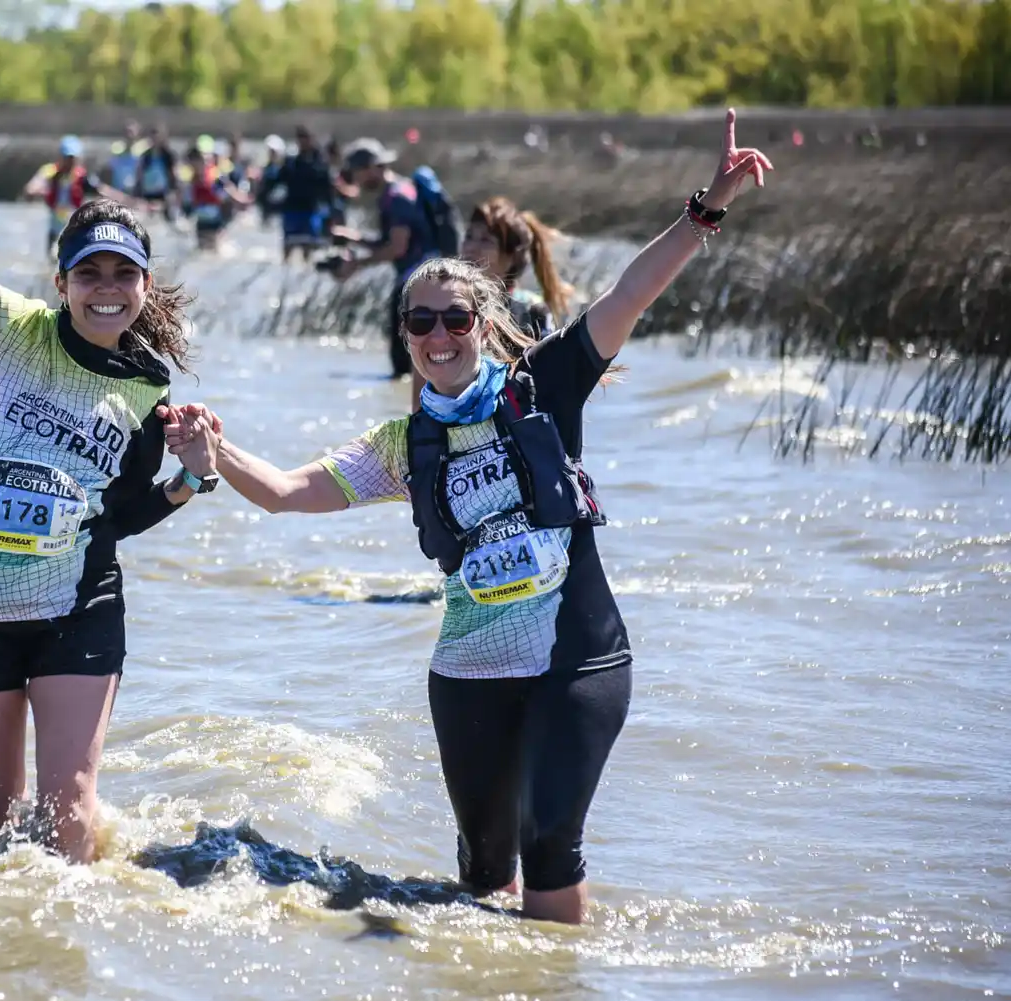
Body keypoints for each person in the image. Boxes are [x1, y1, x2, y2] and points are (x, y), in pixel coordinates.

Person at [162, 109, 771, 925]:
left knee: (550, 841)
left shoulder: (544, 385)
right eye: (421, 321)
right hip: (469, 673)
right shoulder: (403, 445)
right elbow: (284, 491)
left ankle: (563, 970)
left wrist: (706, 209)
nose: (439, 334)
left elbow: (630, 292)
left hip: (576, 660)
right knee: (482, 882)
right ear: (406, 337)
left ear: (483, 324)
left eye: (455, 318)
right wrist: (213, 451)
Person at [0, 90, 221, 860]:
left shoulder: (147, 387)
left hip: (76, 603)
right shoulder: (4, 323)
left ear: (144, 287)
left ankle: (82, 931)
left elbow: (119, 516)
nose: (106, 288)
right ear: (61, 282)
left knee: (69, 819)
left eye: (123, 274)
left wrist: (192, 480)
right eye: (88, 272)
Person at [328, 138, 439, 384]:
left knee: (402, 361)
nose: (355, 181)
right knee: (408, 357)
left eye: (356, 173)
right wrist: (355, 238)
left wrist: (356, 265)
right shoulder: (395, 192)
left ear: (371, 168)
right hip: (418, 276)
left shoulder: (397, 197)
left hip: (417, 279)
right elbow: (391, 242)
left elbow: (397, 248)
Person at [461, 196, 572, 339]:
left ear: (511, 257)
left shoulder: (530, 312)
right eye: (469, 237)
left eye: (486, 240)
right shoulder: (448, 305)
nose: (470, 248)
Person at [24, 136, 133, 259]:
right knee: (53, 258)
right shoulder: (50, 171)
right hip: (55, 228)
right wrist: (36, 190)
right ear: (60, 157)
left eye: (73, 158)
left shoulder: (82, 176)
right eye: (67, 158)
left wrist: (127, 201)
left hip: (74, 226)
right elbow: (33, 185)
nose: (70, 162)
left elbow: (102, 190)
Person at [275, 126, 335, 263]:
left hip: (310, 210)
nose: (303, 142)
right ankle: (285, 269)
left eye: (306, 138)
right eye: (300, 138)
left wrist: (330, 213)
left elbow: (327, 189)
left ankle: (305, 270)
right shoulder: (291, 162)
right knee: (288, 245)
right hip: (291, 209)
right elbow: (279, 181)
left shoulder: (319, 163)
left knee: (308, 245)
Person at [184, 142, 253, 253]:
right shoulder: (192, 180)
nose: (194, 166)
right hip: (201, 222)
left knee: (214, 250)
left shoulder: (214, 176)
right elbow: (189, 201)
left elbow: (230, 191)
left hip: (216, 221)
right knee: (202, 252)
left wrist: (241, 200)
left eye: (196, 163)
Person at [133, 125, 180, 221]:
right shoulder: (146, 156)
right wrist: (138, 191)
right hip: (148, 193)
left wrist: (174, 190)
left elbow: (174, 174)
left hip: (163, 193)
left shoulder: (168, 156)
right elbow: (140, 174)